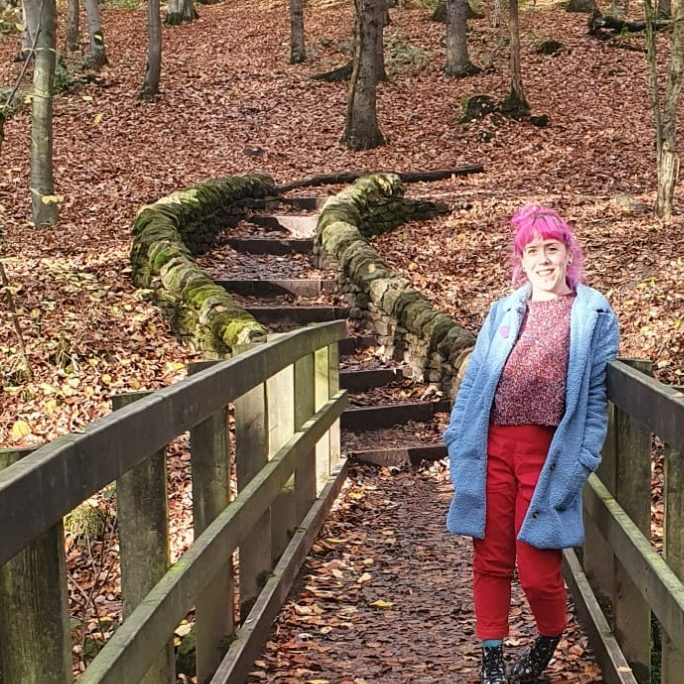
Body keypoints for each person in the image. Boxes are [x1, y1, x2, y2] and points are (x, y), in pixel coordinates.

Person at [443, 205, 620, 684]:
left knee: (539, 567)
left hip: (549, 456)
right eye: (532, 251)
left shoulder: (593, 313)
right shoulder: (504, 310)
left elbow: (597, 396)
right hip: (492, 447)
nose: (542, 260)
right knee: (491, 556)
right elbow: (476, 379)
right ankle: (492, 659)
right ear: (521, 259)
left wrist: (583, 457)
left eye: (552, 249)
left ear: (568, 254)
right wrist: (457, 437)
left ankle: (547, 639)